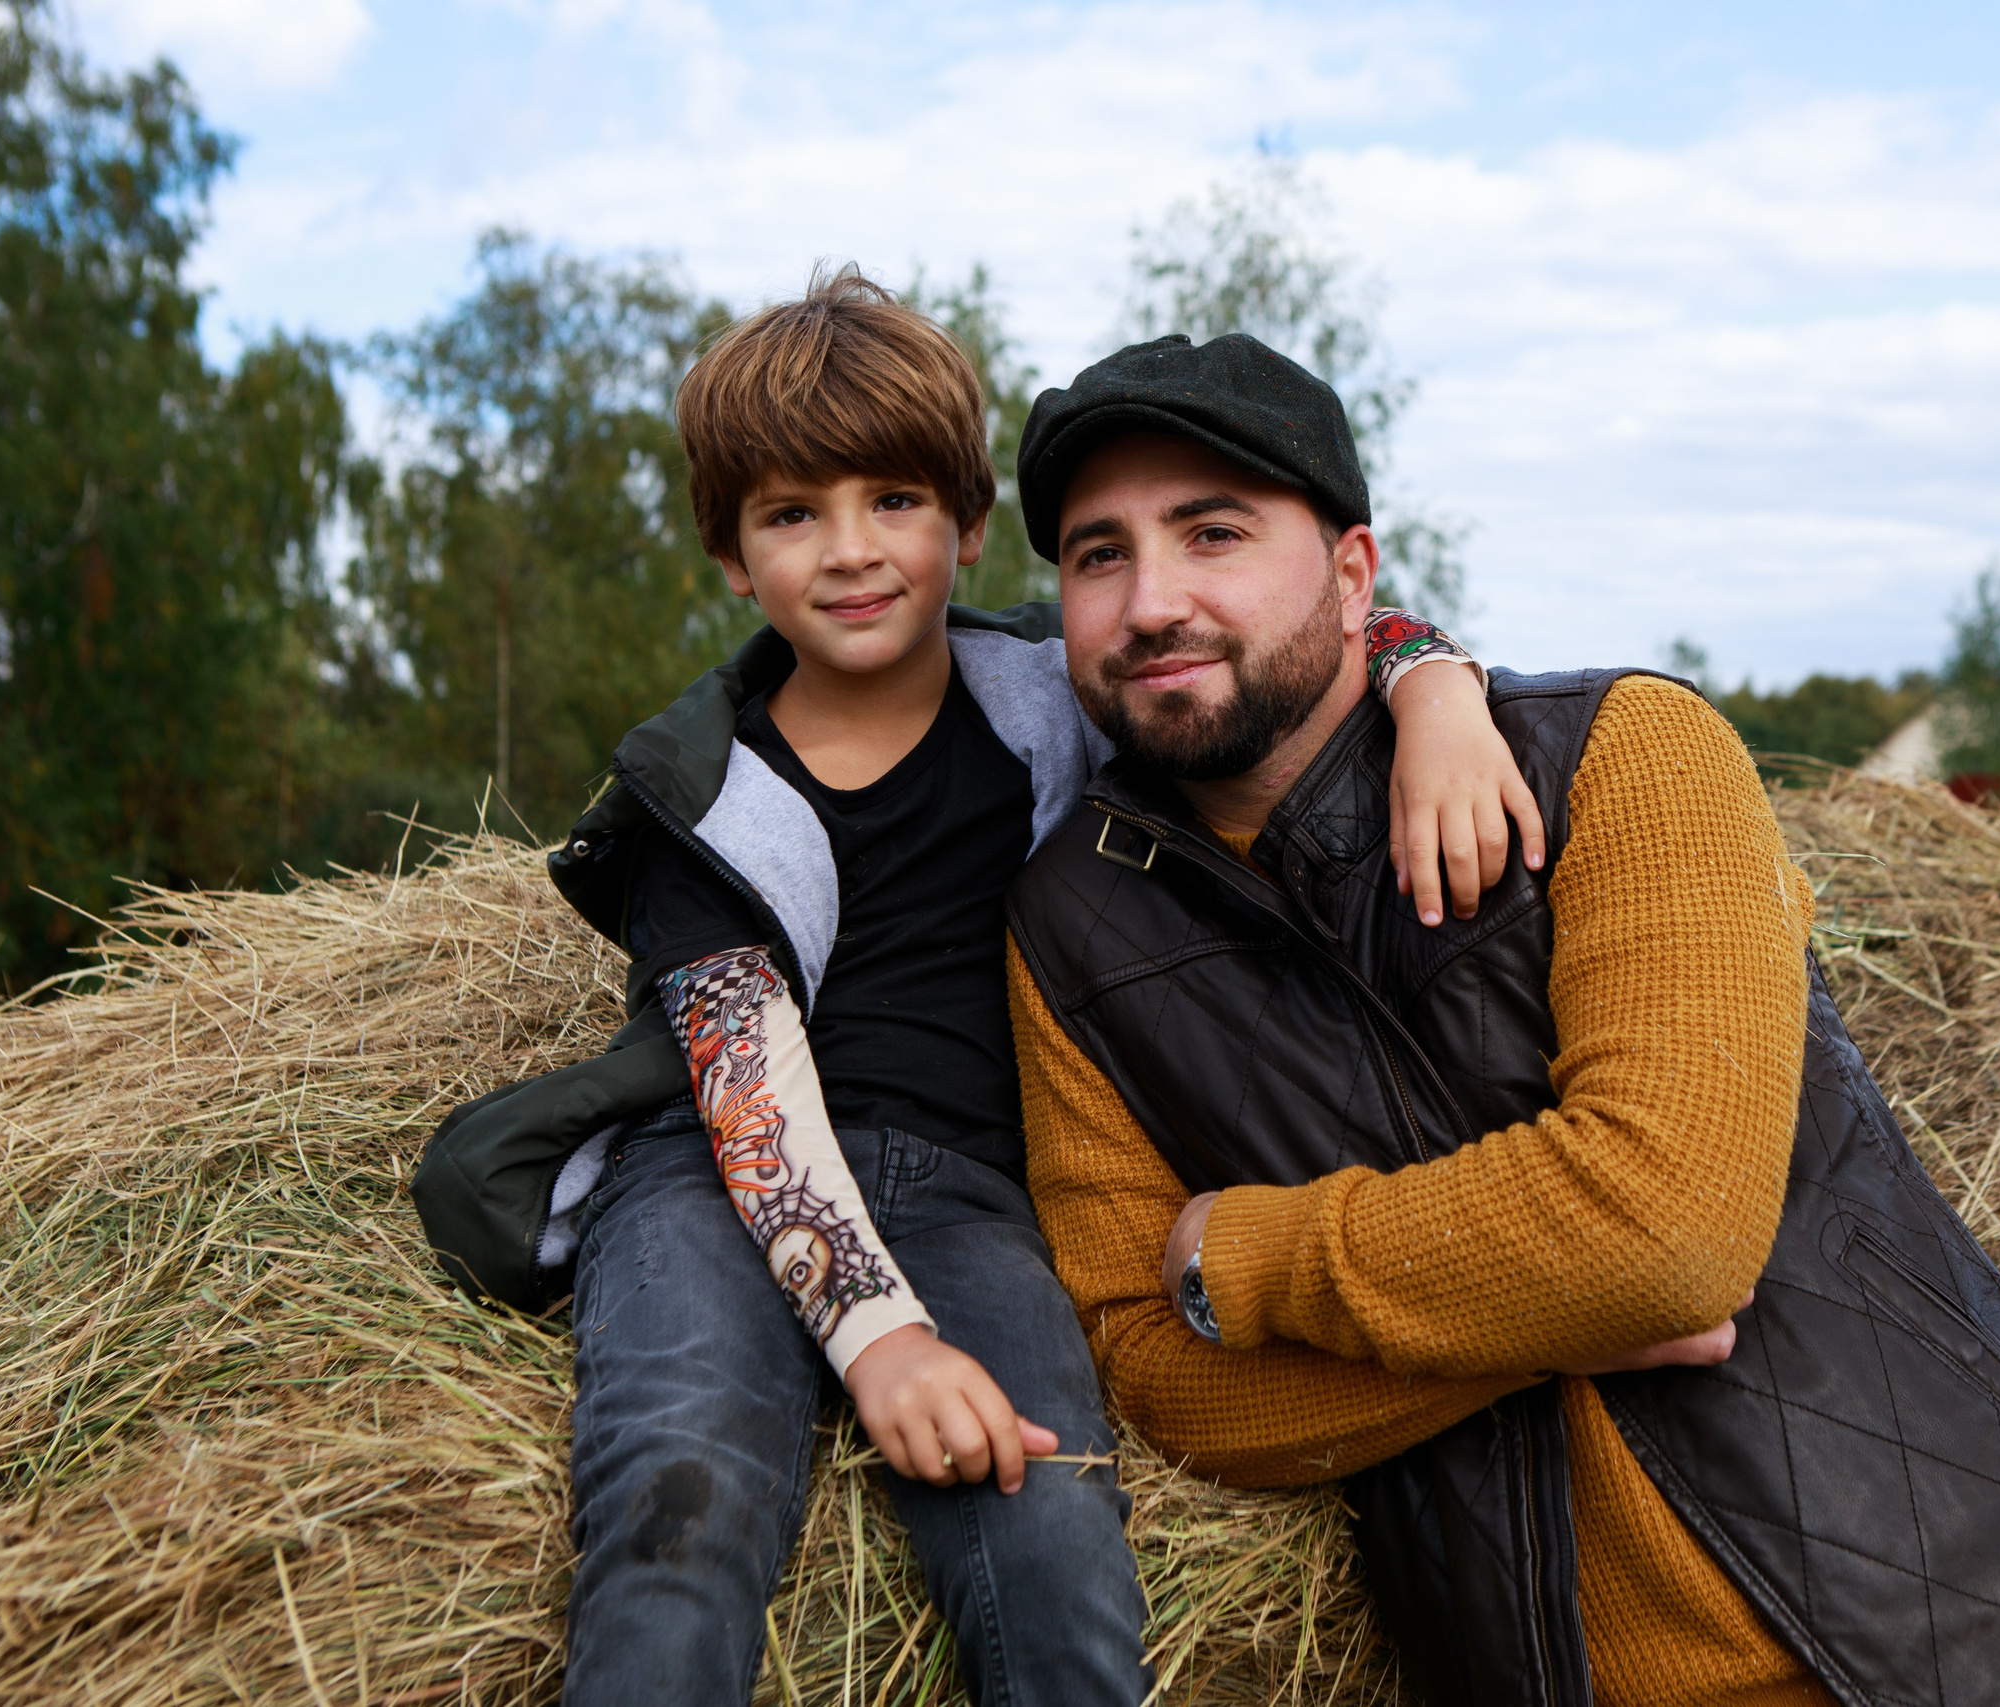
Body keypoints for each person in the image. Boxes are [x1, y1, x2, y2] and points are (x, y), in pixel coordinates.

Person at [411, 268, 1538, 1707]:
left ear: (966, 520)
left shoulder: (1043, 693)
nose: (850, 550)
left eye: (892, 499)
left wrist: (1438, 689)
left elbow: (1280, 644)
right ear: (727, 556)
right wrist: (881, 1344)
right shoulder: (697, 801)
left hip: (972, 1194)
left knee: (1055, 1527)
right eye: (789, 514)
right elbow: (750, 1107)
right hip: (708, 1183)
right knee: (675, 1502)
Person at [1004, 332, 2000, 1707]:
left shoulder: (1628, 752)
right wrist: (1550, 1304)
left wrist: (1242, 1263)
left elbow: (1666, 1233)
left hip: (1957, 1631)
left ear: (1355, 573)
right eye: (1099, 555)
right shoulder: (1068, 932)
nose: (1152, 601)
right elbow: (1155, 1374)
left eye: (1214, 534)